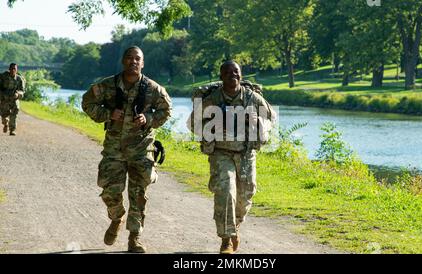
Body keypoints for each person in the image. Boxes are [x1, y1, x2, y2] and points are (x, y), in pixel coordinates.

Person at [81, 46, 172, 253]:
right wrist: (107, 114)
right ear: (123, 61)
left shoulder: (152, 88)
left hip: (141, 149)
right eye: (129, 58)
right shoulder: (108, 85)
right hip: (114, 148)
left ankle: (135, 237)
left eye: (137, 59)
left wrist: (148, 119)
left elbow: (166, 109)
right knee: (109, 190)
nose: (133, 62)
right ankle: (116, 217)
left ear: (142, 63)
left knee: (138, 194)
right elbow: (87, 102)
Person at [188, 61, 276, 254]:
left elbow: (271, 119)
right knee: (226, 191)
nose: (232, 75)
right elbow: (192, 124)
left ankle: (234, 226)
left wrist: (257, 122)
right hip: (220, 153)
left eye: (235, 72)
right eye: (227, 72)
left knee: (245, 196)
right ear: (221, 76)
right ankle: (226, 239)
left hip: (246, 154)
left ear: (241, 75)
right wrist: (212, 127)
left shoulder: (253, 98)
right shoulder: (212, 99)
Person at [0, 63, 26, 136]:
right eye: (11, 69)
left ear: (16, 70)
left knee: (14, 113)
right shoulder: (3, 77)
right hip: (4, 99)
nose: (13, 70)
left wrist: (18, 94)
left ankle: (12, 130)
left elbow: (22, 91)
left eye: (14, 69)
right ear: (9, 69)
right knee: (4, 116)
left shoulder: (19, 79)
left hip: (14, 99)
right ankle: (5, 124)